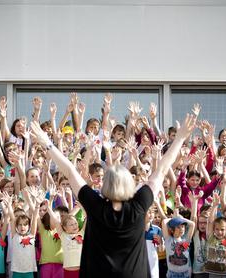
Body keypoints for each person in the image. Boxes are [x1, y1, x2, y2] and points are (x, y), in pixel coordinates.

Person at [28, 104, 199, 277]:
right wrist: (179, 139)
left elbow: (70, 171)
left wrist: (47, 143)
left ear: (106, 186)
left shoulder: (95, 205)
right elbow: (161, 170)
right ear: (129, 186)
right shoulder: (139, 205)